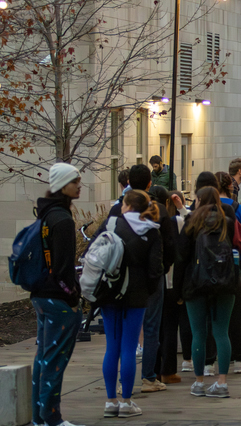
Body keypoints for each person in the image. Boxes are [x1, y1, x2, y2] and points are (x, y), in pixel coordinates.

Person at [95, 163, 177, 394]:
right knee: (146, 333)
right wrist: (157, 277)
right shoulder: (157, 214)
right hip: (144, 284)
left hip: (113, 282)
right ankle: (147, 378)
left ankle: (114, 396)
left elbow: (95, 248)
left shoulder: (113, 215)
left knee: (115, 344)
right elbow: (167, 249)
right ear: (151, 183)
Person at [95, 190, 163, 419]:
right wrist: (147, 291)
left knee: (111, 347)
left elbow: (93, 254)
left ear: (125, 206)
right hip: (136, 296)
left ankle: (110, 400)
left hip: (109, 293)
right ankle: (126, 402)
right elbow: (156, 270)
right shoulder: (152, 231)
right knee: (129, 348)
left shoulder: (111, 224)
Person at [30, 164, 83, 426]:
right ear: (63, 186)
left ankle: (39, 417)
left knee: (43, 358)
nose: (79, 185)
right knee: (54, 361)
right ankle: (52, 418)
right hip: (57, 300)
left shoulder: (45, 215)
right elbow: (63, 268)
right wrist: (73, 298)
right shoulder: (62, 220)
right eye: (75, 181)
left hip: (41, 295)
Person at [173, 187, 239, 398]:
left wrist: (178, 290)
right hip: (225, 283)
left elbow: (181, 257)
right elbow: (239, 249)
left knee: (198, 334)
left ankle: (199, 382)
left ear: (199, 200)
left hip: (196, 284)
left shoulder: (191, 223)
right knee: (222, 332)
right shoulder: (228, 222)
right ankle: (222, 383)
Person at [210, 171, 241, 375]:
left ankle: (208, 359)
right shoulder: (237, 208)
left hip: (206, 267)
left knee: (208, 314)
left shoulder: (200, 209)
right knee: (234, 312)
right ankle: (238, 357)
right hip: (232, 264)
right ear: (229, 186)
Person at [161, 191, 194, 381]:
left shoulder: (156, 222)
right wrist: (182, 207)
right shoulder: (179, 221)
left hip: (162, 280)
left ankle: (163, 367)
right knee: (184, 322)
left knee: (166, 326)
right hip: (179, 279)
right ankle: (187, 359)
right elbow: (190, 220)